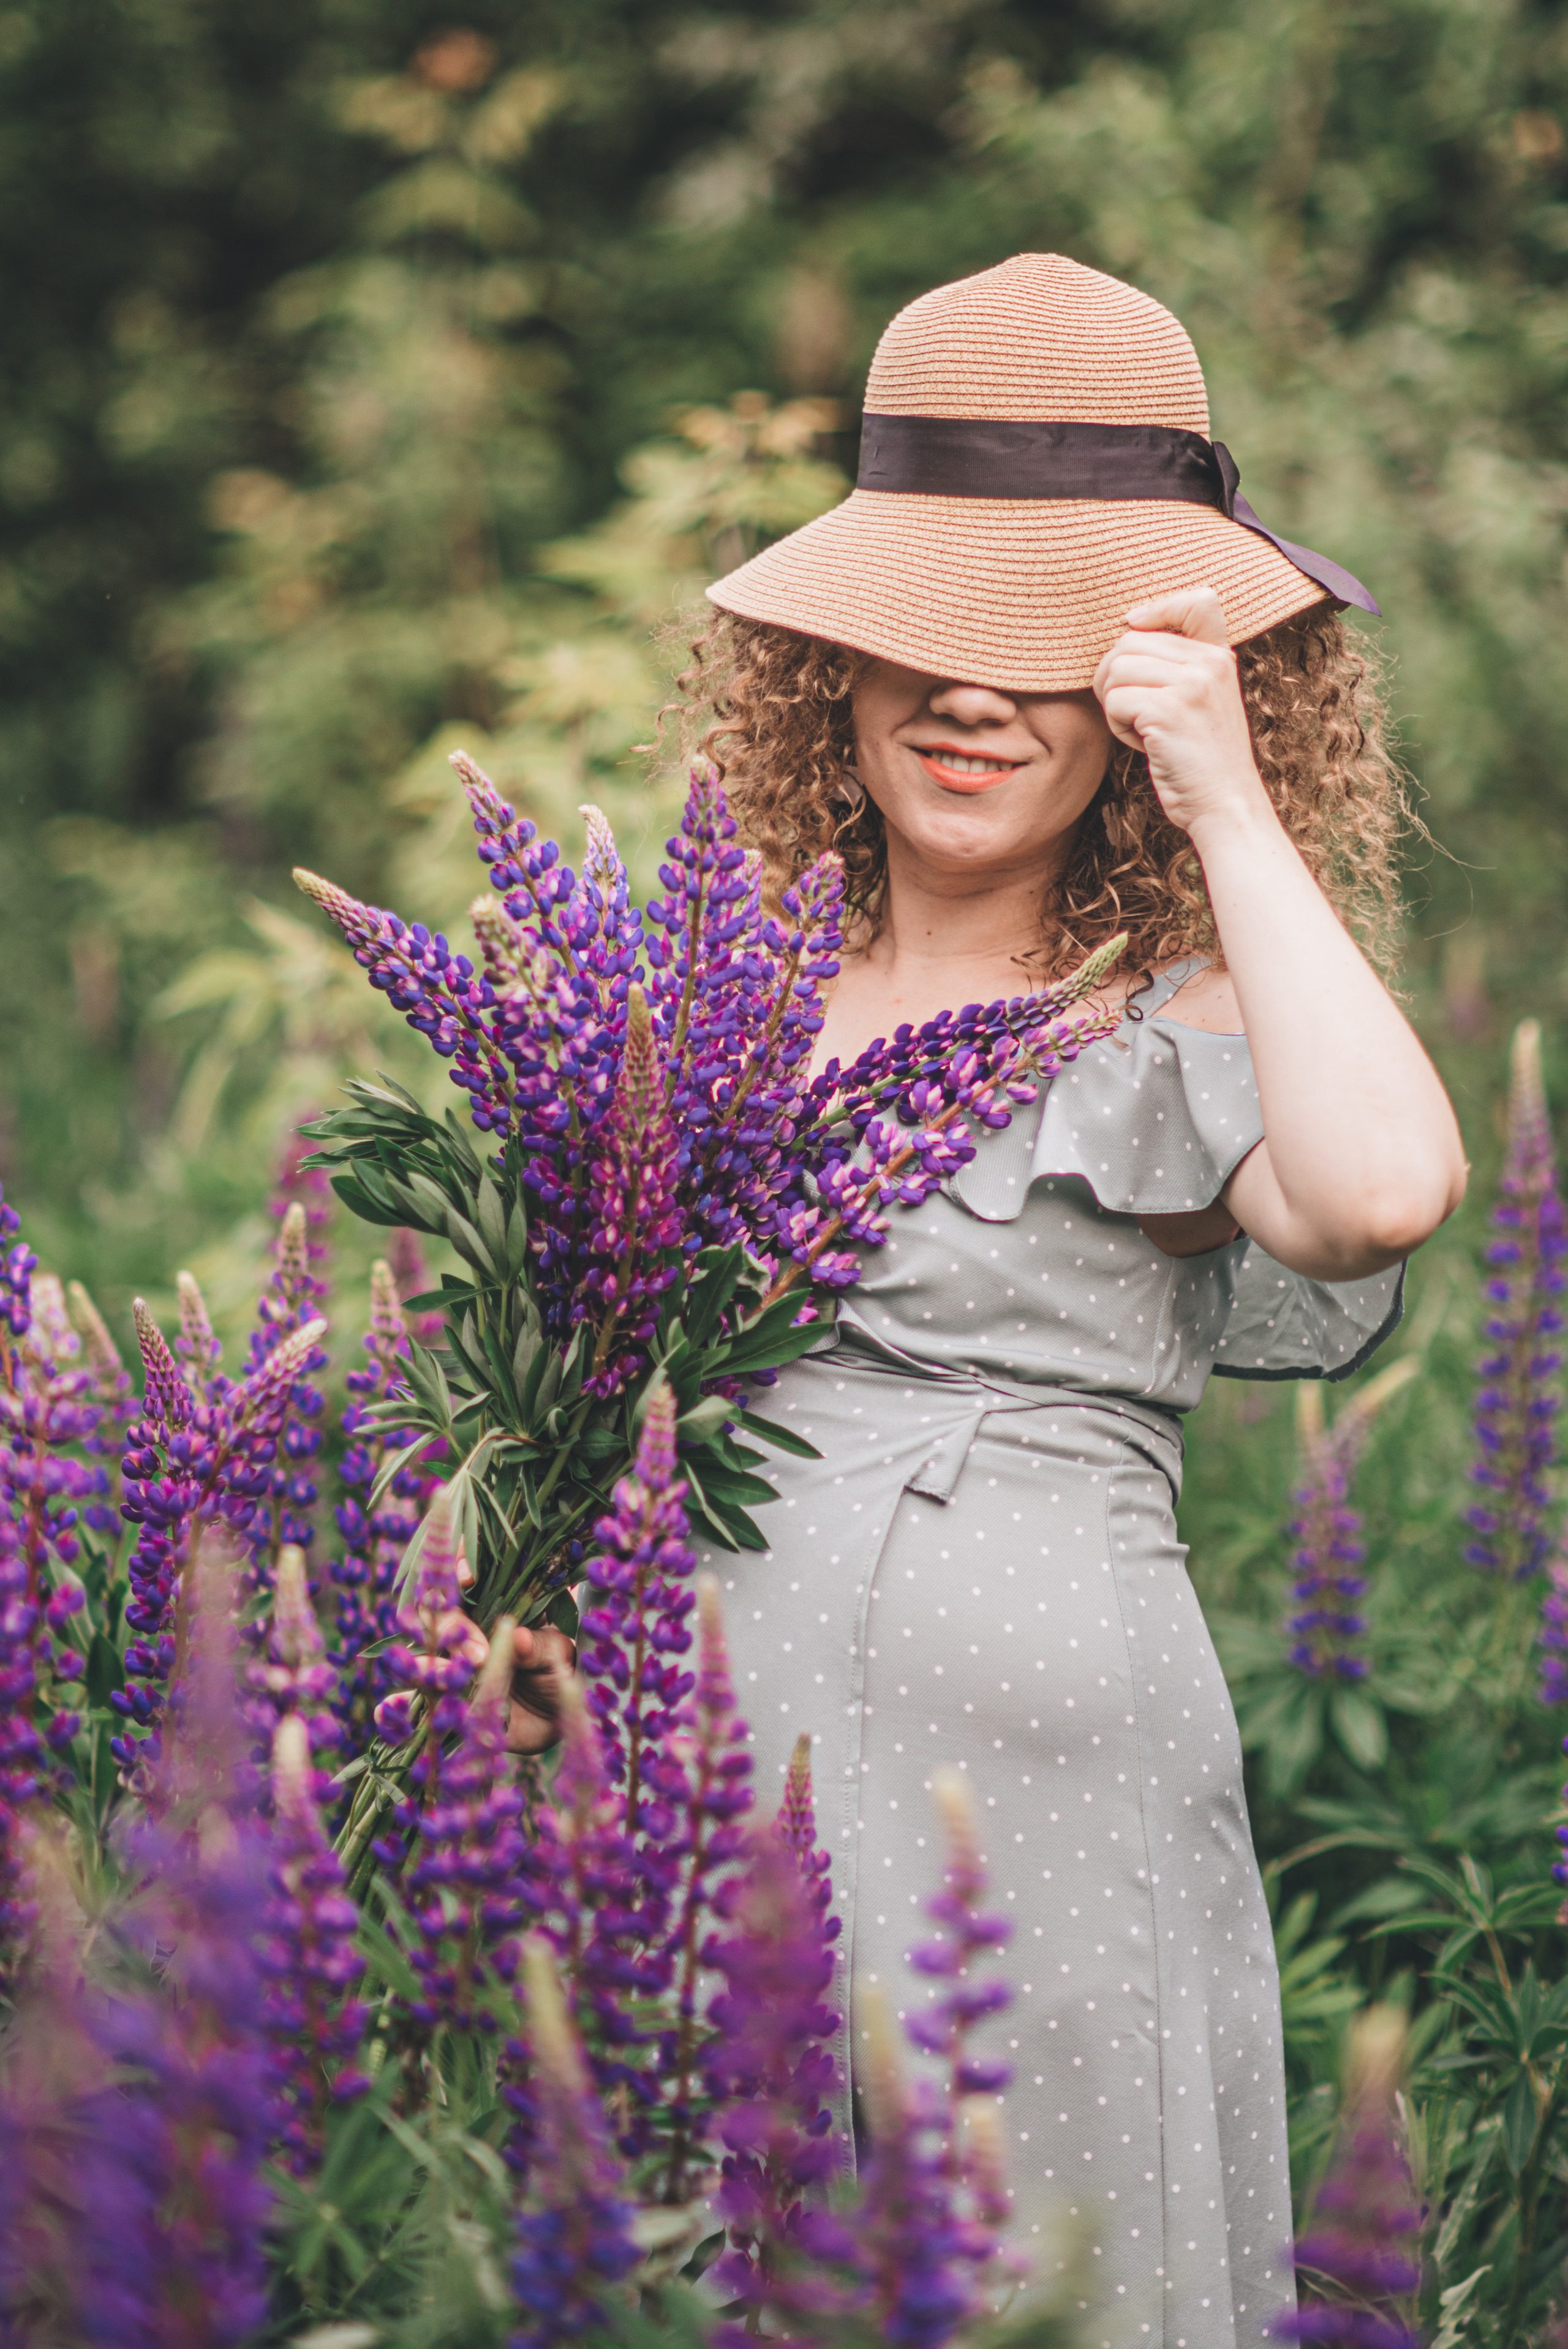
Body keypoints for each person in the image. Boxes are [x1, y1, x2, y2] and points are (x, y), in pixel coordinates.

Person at [503, 254, 1466, 2345]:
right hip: (693, 1788)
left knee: (1064, 2284)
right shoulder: (716, 990)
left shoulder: (1180, 1013)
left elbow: (1383, 1188)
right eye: (926, 636)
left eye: (1047, 651)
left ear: (1149, 690)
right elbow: (557, 1383)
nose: (972, 695)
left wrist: (1227, 805)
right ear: (830, 669)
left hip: (1049, 1803)